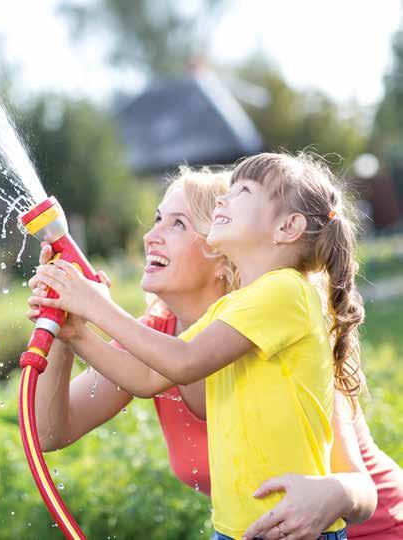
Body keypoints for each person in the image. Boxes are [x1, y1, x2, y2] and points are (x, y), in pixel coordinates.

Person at [28, 156, 400, 538]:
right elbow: (127, 385)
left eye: (177, 223)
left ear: (221, 255)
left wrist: (95, 304)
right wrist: (73, 329)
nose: (149, 236)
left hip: (370, 528)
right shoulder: (180, 330)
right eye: (157, 218)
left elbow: (184, 363)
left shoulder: (284, 305)